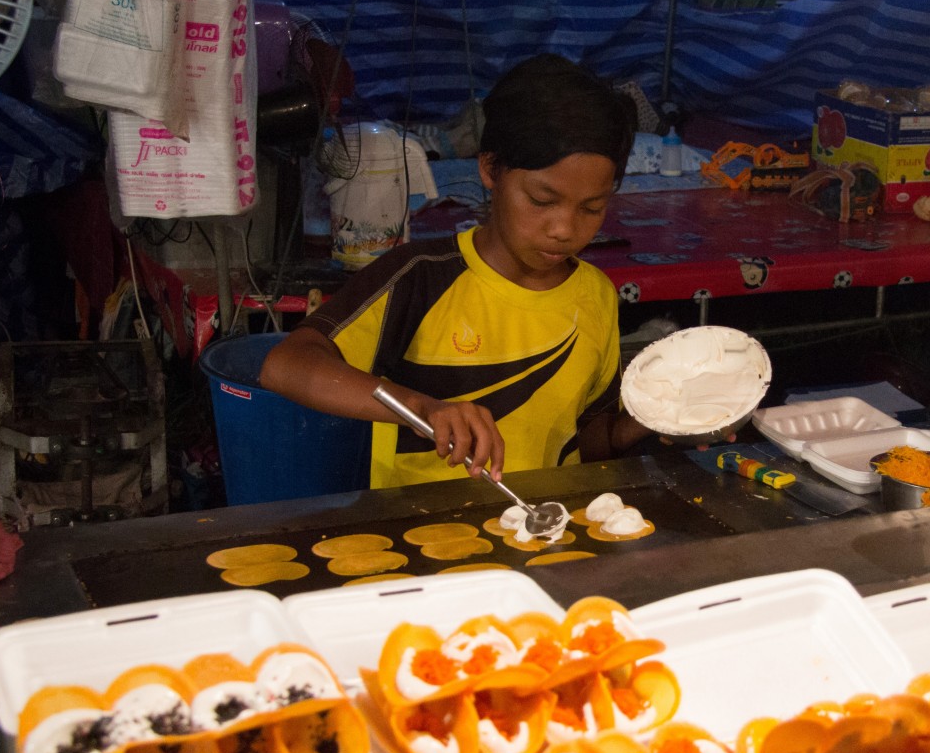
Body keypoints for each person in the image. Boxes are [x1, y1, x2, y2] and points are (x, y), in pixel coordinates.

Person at [260, 53, 651, 488]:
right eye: (542, 201)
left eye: (592, 208)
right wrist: (422, 407)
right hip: (420, 540)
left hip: (544, 538)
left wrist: (660, 420)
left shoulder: (594, 294)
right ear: (490, 169)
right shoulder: (421, 277)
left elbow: (589, 445)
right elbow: (285, 365)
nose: (564, 230)